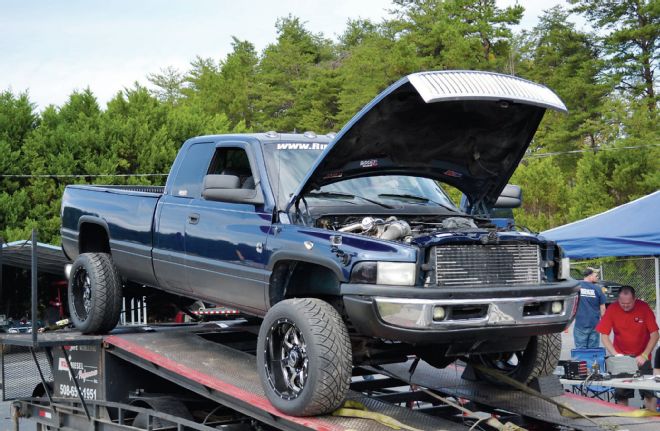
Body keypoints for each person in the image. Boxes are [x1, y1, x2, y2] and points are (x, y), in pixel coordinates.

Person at [596, 285, 659, 410]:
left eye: (628, 303)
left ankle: (651, 423)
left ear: (634, 299)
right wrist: (616, 355)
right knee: (621, 396)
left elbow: (655, 334)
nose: (625, 305)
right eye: (622, 302)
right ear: (618, 299)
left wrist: (645, 355)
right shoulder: (612, 309)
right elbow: (604, 336)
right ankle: (624, 423)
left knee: (649, 394)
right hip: (621, 360)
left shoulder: (644, 308)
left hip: (642, 358)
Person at [573, 267, 607, 348]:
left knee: (581, 352)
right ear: (590, 275)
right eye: (596, 275)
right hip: (594, 325)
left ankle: (582, 360)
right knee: (593, 352)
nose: (597, 277)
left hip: (580, 324)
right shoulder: (598, 289)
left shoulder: (576, 286)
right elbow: (603, 308)